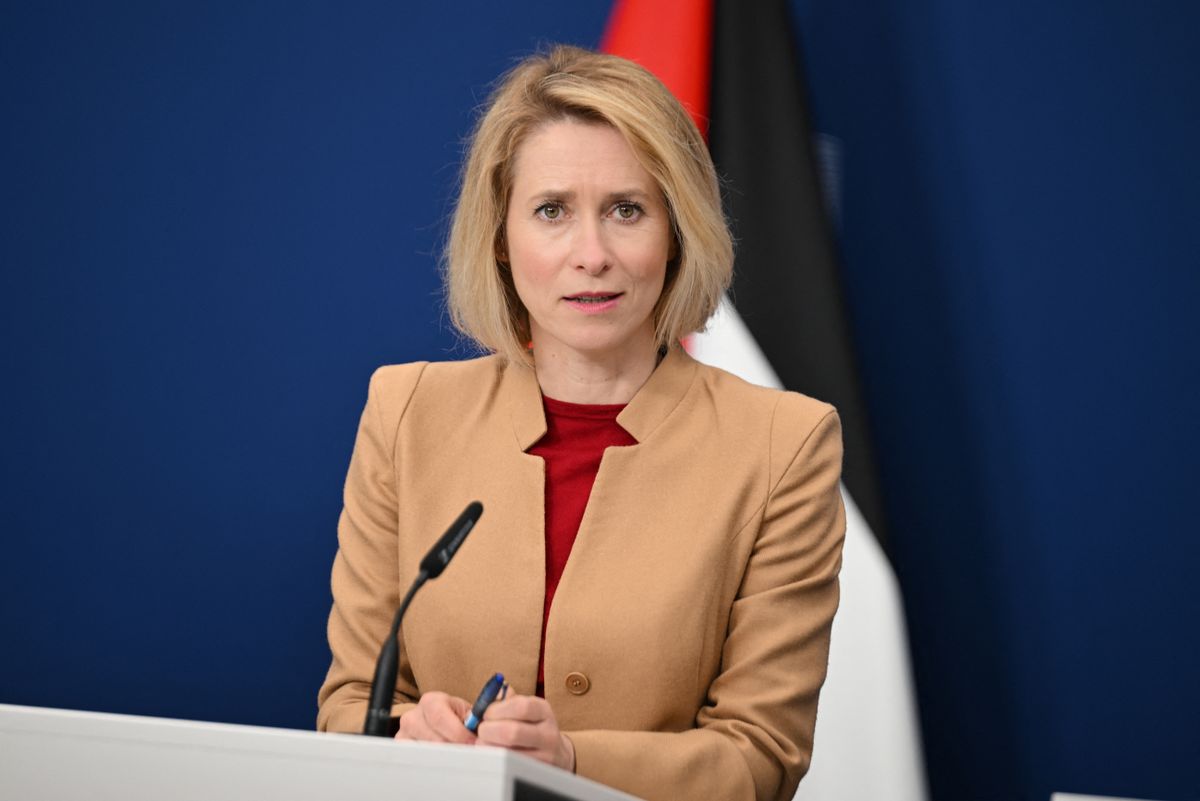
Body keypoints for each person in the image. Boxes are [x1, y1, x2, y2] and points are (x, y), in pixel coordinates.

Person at [316, 44, 846, 801]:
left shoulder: (782, 442)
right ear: (502, 240)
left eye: (626, 210)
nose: (590, 254)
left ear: (676, 233)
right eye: (552, 211)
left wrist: (565, 759)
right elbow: (347, 710)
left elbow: (759, 758)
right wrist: (408, 734)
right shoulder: (406, 412)